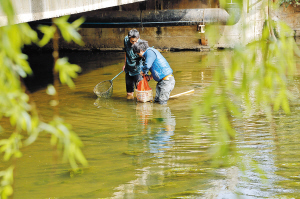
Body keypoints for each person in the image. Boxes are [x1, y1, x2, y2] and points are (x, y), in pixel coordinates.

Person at [132, 40, 175, 105]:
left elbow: (147, 65)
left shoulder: (149, 52)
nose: (139, 56)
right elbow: (156, 67)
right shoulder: (150, 53)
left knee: (162, 103)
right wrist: (150, 76)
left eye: (138, 54)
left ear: (141, 50)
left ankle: (165, 113)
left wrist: (142, 71)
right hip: (162, 82)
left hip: (167, 81)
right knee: (157, 101)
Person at [123, 29, 143, 100]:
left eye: (135, 41)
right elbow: (126, 52)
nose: (134, 43)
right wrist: (125, 64)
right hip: (128, 69)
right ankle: (130, 108)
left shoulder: (142, 44)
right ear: (129, 38)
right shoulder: (125, 40)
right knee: (129, 93)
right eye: (132, 41)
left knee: (140, 92)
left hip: (138, 70)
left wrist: (141, 54)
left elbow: (146, 58)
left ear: (138, 37)